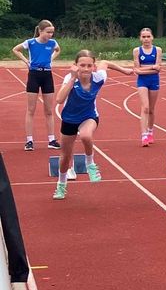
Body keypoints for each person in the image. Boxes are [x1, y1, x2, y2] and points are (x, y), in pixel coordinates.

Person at [51, 51, 133, 200]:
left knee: (86, 135)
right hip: (69, 119)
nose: (86, 69)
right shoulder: (70, 78)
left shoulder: (99, 77)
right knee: (65, 157)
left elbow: (106, 63)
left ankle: (90, 164)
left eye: (89, 65)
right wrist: (73, 78)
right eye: (82, 65)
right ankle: (61, 185)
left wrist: (124, 70)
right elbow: (59, 99)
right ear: (75, 66)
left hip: (89, 116)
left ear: (94, 67)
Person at [13, 20, 63, 152]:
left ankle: (51, 140)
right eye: (48, 32)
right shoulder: (31, 42)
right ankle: (29, 140)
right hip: (34, 75)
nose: (50, 35)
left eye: (52, 32)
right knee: (31, 110)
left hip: (47, 76)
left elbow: (58, 50)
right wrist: (26, 62)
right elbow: (16, 50)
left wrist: (51, 59)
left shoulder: (53, 43)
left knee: (49, 110)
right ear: (40, 31)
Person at [132, 28, 162, 146]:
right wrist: (152, 68)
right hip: (142, 81)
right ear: (140, 38)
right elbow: (137, 71)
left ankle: (150, 131)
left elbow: (158, 68)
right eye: (143, 37)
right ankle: (144, 135)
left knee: (151, 109)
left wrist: (144, 69)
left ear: (152, 37)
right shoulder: (137, 51)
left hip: (154, 80)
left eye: (148, 36)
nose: (146, 39)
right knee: (145, 107)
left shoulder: (157, 50)